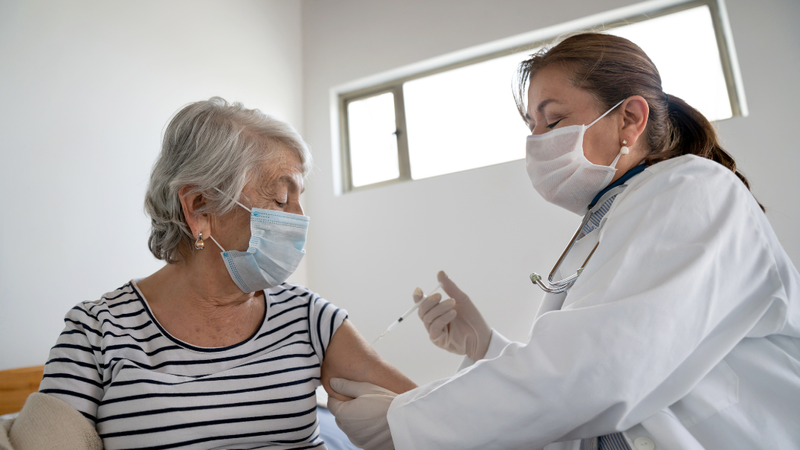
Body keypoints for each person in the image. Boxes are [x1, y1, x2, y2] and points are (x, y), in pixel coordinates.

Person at [327, 33, 800, 449]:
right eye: (531, 127)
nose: (536, 143)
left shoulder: (692, 189)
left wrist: (405, 425)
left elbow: (601, 368)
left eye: (552, 123)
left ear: (629, 120)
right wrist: (488, 347)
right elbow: (580, 379)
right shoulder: (613, 220)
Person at [37, 97, 415, 450]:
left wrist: (473, 357)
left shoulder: (309, 318)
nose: (299, 218)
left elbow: (433, 415)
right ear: (199, 208)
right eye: (281, 199)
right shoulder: (96, 332)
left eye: (299, 199)